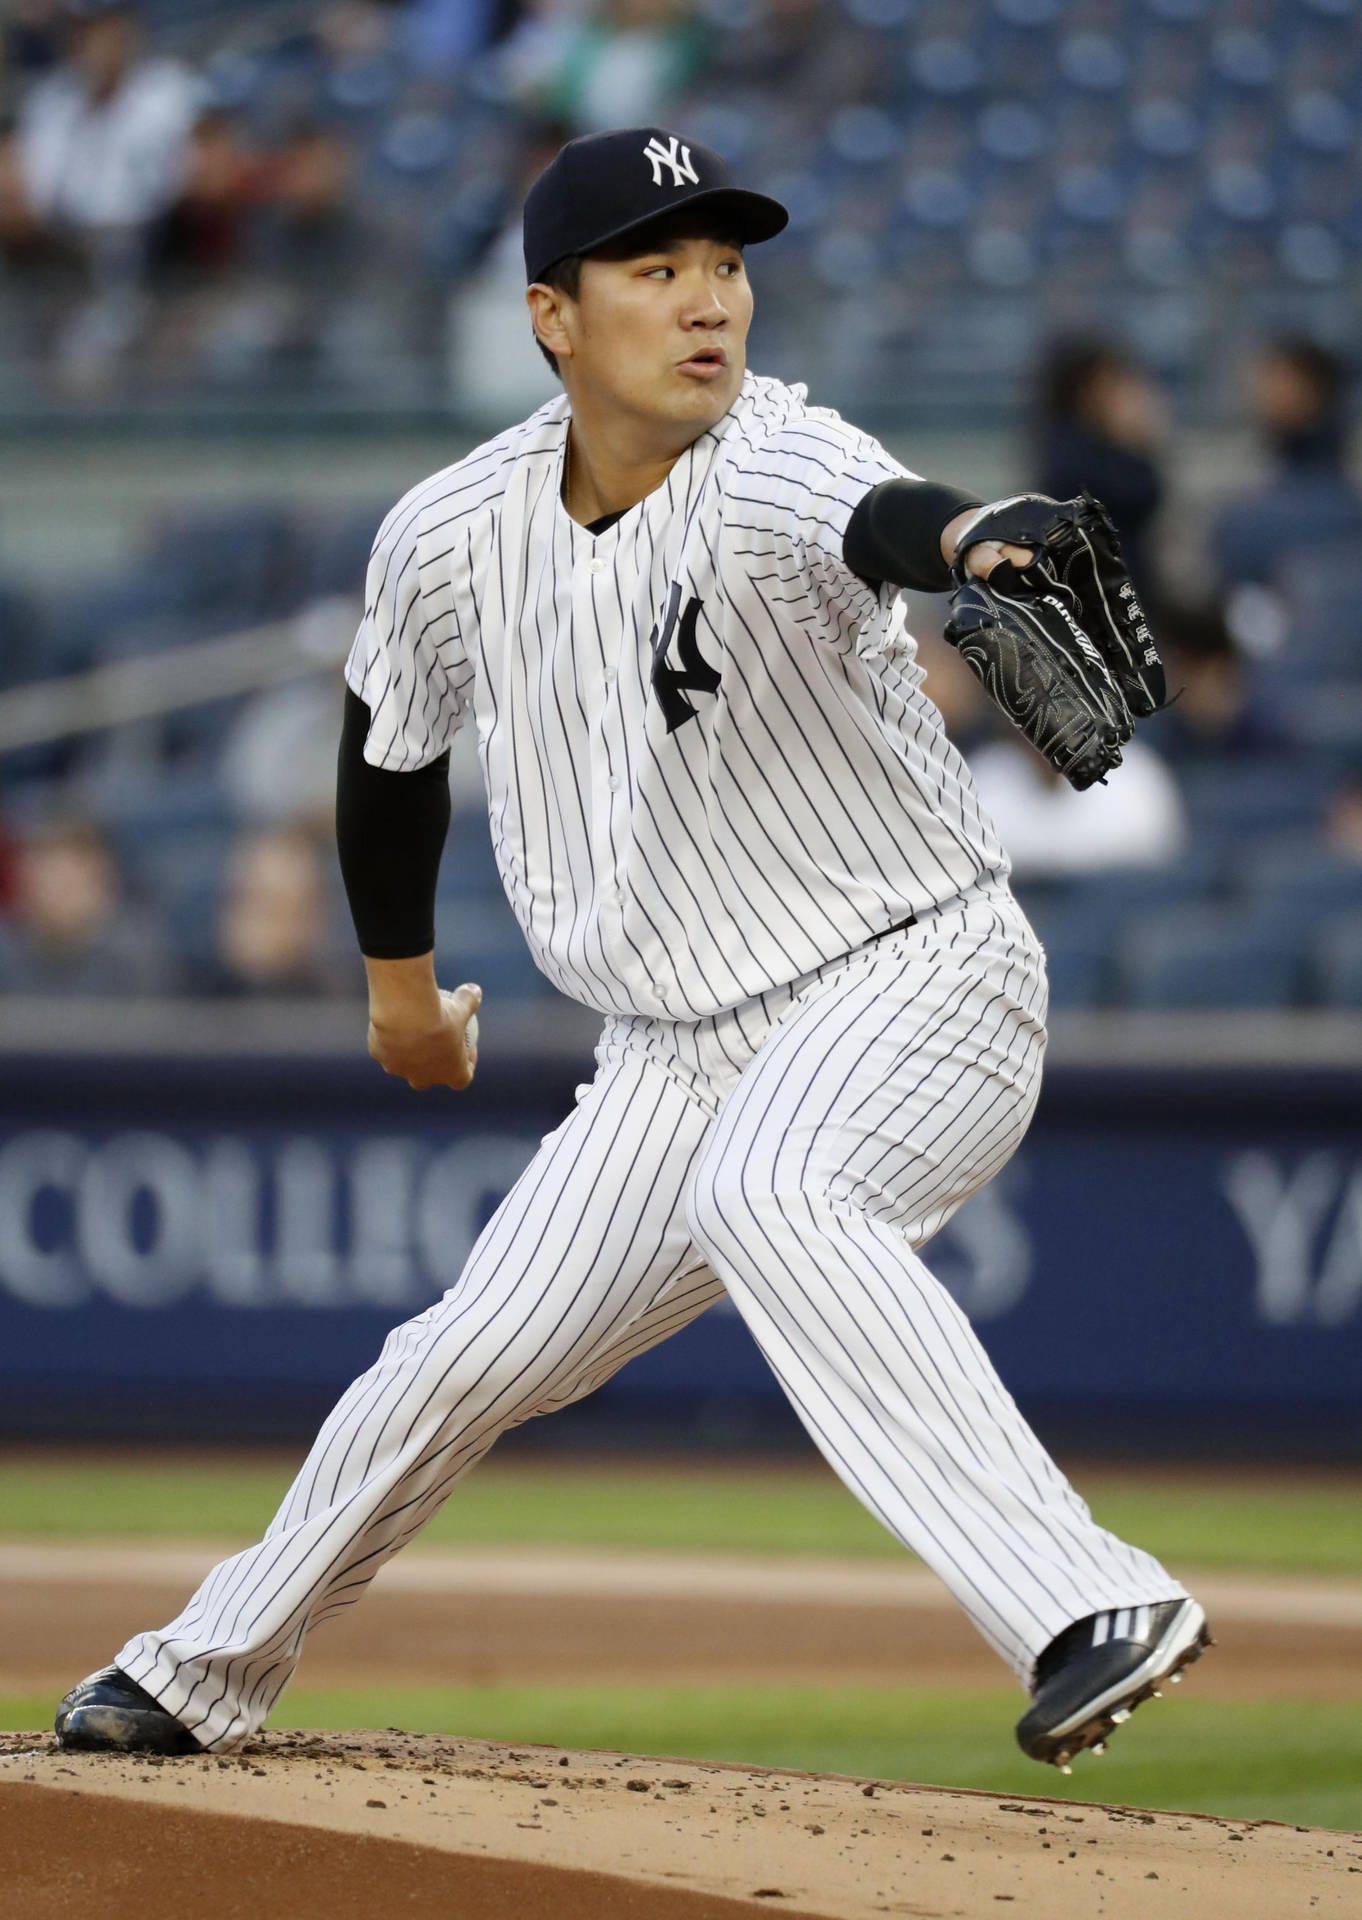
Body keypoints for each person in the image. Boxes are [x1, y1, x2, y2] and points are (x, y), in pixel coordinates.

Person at [56, 126, 1209, 1773]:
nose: (707, 302)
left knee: (776, 1196)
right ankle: (200, 1668)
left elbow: (882, 515)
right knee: (459, 1359)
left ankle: (1084, 1601)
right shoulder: (450, 533)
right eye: (655, 268)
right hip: (666, 1052)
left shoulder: (773, 458)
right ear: (552, 316)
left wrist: (967, 544)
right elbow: (387, 753)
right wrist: (396, 995)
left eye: (725, 265)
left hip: (914, 976)